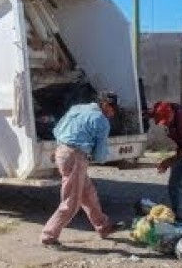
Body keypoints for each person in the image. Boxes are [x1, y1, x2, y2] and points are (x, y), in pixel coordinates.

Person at [40, 91, 121, 246]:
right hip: (76, 157)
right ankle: (48, 236)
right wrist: (97, 155)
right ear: (104, 104)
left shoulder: (77, 108)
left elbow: (57, 130)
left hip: (62, 151)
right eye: (112, 108)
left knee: (88, 193)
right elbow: (100, 155)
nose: (113, 111)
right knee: (71, 202)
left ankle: (103, 226)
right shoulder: (101, 121)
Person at [149, 100, 182, 224]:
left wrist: (168, 162)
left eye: (167, 120)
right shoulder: (169, 114)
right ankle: (176, 215)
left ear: (171, 113)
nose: (166, 124)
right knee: (173, 183)